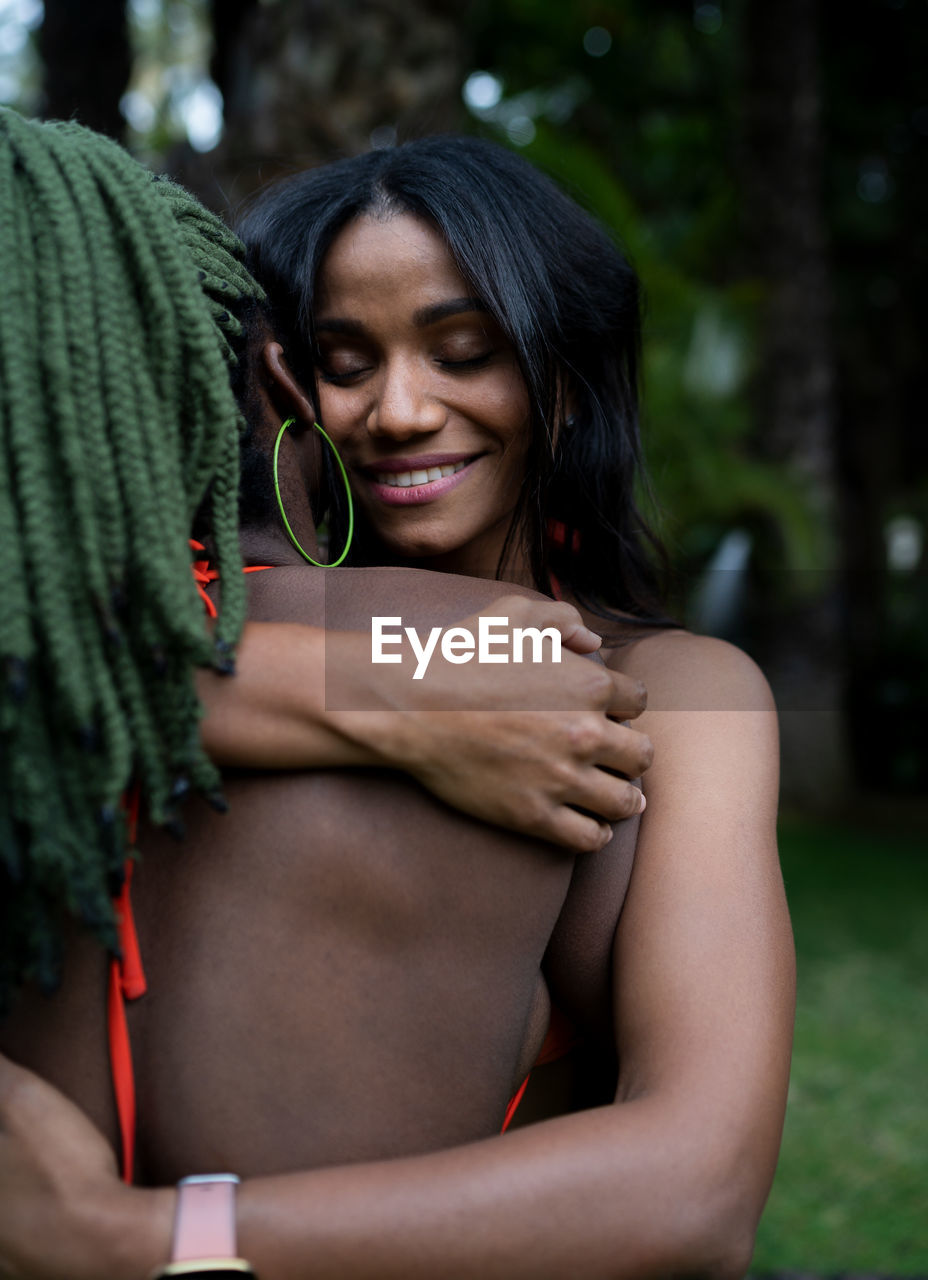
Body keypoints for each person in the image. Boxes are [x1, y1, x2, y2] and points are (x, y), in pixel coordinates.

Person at [0, 125, 793, 1280]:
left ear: (563, 382)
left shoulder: (678, 696)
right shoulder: (150, 622)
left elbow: (701, 1183)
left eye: (464, 352)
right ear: (278, 376)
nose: (400, 411)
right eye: (345, 359)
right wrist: (375, 697)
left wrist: (142, 1241)